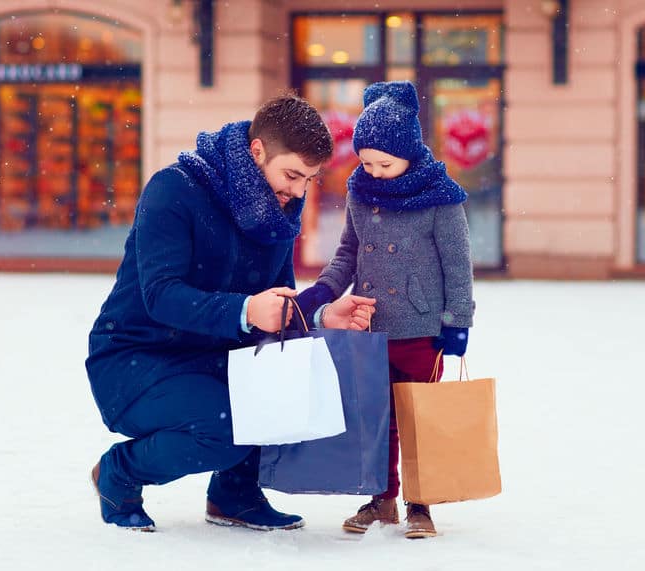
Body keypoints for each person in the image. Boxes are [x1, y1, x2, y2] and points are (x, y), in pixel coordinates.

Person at [85, 92, 376, 532]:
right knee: (225, 428)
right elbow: (160, 296)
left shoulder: (276, 212)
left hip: (213, 359)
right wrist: (244, 310)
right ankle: (119, 473)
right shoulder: (175, 190)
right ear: (257, 151)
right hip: (135, 358)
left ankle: (234, 495)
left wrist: (319, 317)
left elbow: (275, 305)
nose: (297, 192)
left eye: (308, 180)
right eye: (292, 175)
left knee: (285, 395)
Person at [299, 81, 474, 539]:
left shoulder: (441, 197)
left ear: (409, 155)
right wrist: (322, 292)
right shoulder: (361, 192)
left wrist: (458, 322)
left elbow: (458, 265)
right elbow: (348, 253)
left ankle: (421, 503)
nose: (373, 171)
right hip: (371, 324)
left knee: (419, 417)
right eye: (366, 162)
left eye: (384, 163)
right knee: (377, 417)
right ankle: (382, 499)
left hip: (422, 328)